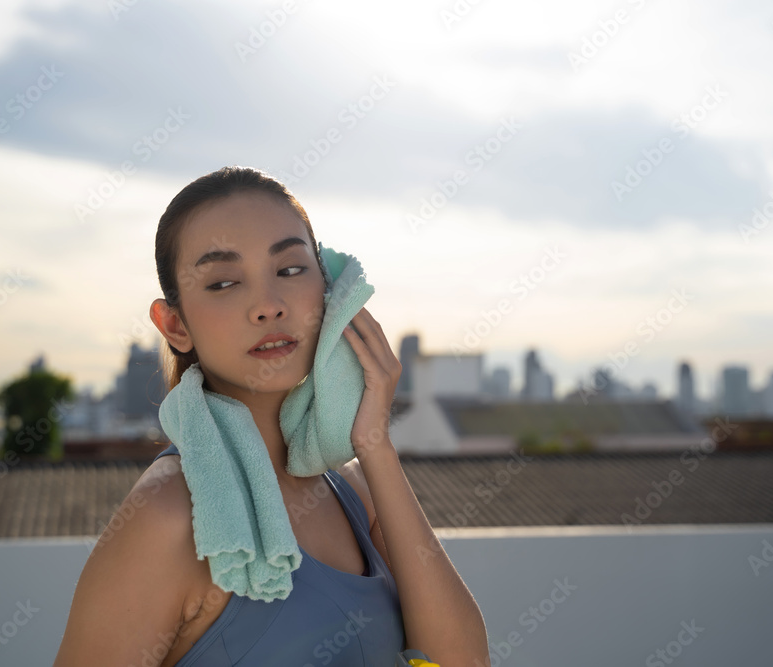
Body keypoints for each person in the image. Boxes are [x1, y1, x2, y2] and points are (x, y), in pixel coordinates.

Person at [52, 166, 490, 666]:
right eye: (223, 282)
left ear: (328, 293)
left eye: (289, 270)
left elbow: (462, 662)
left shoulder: (353, 492)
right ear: (174, 325)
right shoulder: (167, 513)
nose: (267, 306)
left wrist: (375, 446)